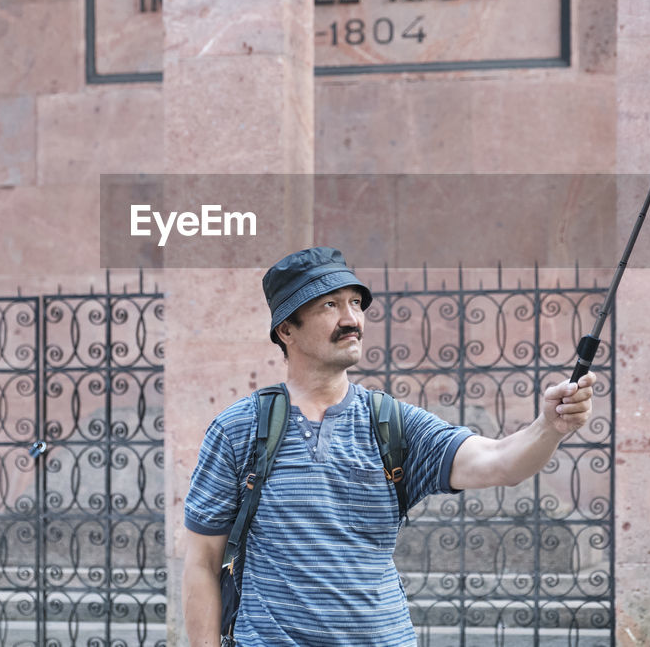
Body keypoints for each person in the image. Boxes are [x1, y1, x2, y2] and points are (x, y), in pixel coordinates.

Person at [181, 247, 597, 646]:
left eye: (355, 304)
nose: (351, 319)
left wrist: (549, 426)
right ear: (286, 329)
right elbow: (202, 560)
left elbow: (499, 462)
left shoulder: (392, 424)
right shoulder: (240, 429)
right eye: (329, 306)